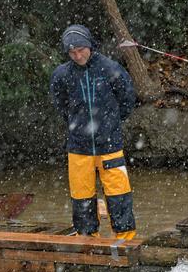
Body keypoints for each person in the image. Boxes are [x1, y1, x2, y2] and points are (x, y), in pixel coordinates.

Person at [50, 25, 138, 240]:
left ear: (89, 45)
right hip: (78, 147)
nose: (78, 56)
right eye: (72, 52)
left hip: (110, 145)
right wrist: (77, 124)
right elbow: (60, 105)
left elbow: (127, 100)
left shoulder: (110, 69)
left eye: (81, 50)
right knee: (81, 196)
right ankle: (87, 238)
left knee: (119, 194)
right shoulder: (62, 75)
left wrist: (111, 124)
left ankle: (124, 239)